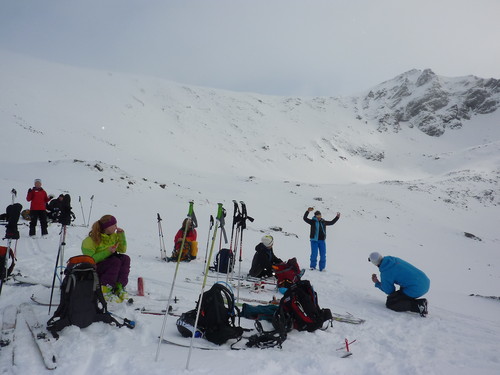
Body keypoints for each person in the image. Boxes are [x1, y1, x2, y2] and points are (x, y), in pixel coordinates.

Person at [81, 215, 130, 302]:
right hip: (95, 269)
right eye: (114, 225)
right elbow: (90, 260)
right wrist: (107, 252)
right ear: (107, 227)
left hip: (109, 265)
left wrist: (121, 235)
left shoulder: (113, 236)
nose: (116, 227)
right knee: (115, 261)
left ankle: (119, 287)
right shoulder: (90, 240)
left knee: (125, 259)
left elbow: (122, 250)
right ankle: (105, 290)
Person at [368, 252, 430, 317]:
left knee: (391, 302)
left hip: (417, 288)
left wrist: (377, 283)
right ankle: (413, 301)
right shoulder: (393, 260)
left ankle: (419, 305)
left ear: (374, 263)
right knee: (399, 295)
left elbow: (389, 291)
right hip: (424, 280)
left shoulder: (386, 272)